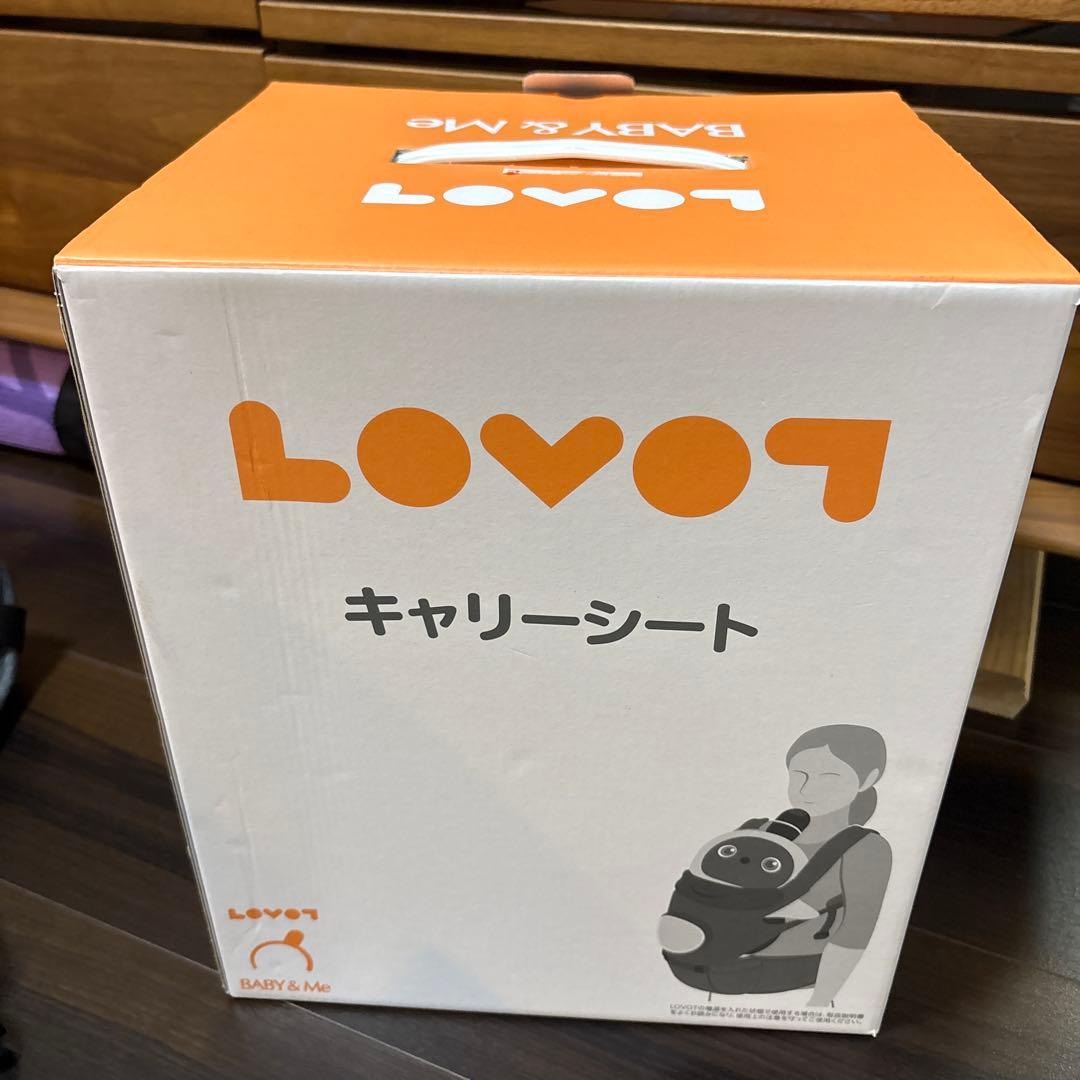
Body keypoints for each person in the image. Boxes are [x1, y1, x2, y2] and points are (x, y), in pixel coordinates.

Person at [702, 724, 892, 1005]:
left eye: (828, 777)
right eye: (798, 775)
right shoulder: (754, 831)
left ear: (868, 779)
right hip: (717, 971)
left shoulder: (864, 848)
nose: (806, 789)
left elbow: (855, 932)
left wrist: (820, 1002)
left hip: (795, 984)